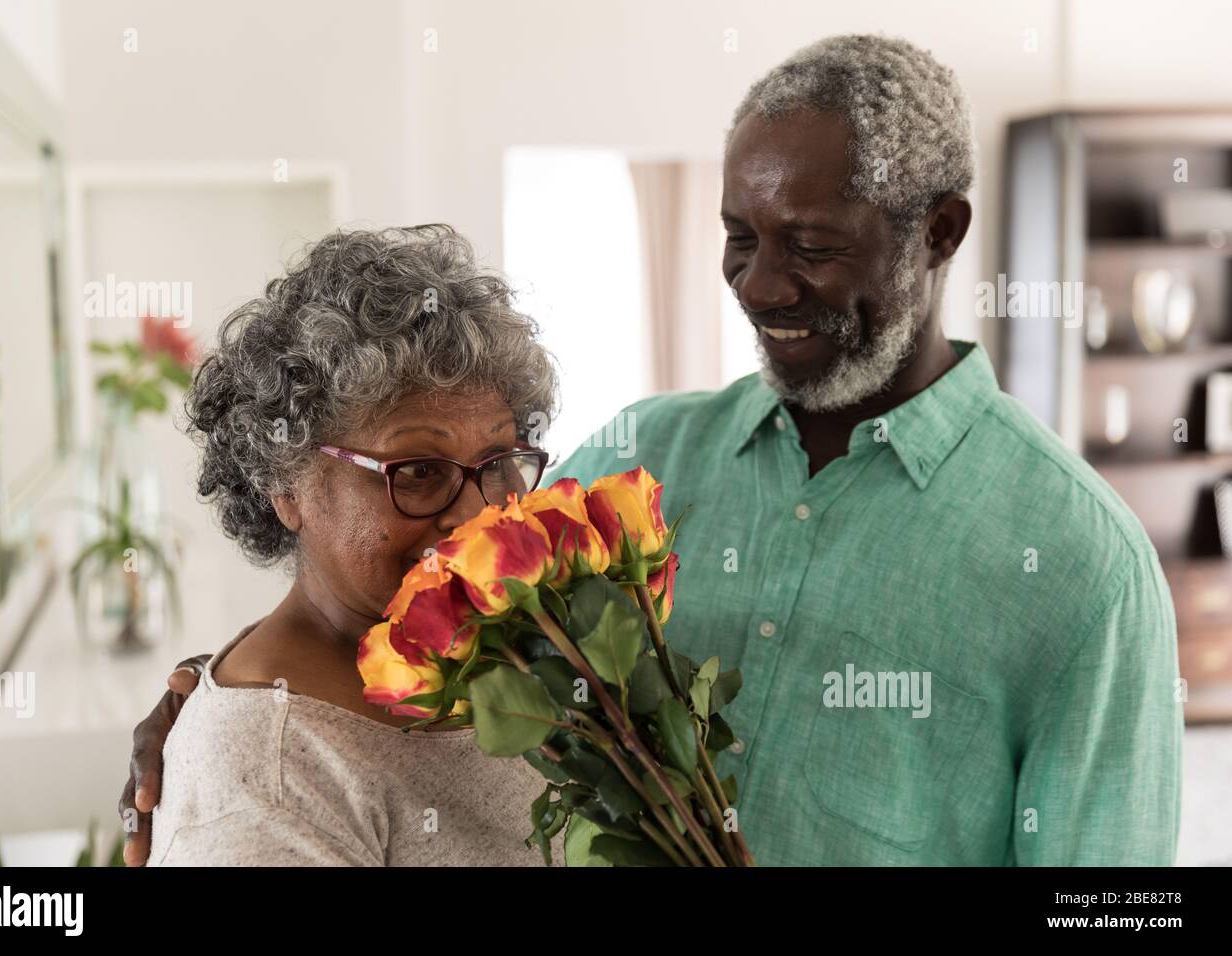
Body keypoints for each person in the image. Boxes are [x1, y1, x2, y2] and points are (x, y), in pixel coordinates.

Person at [123, 34, 1181, 866]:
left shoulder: (1082, 566)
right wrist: (220, 701)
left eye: (808, 244)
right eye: (738, 235)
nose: (761, 285)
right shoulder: (642, 456)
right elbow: (417, 571)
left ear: (938, 233)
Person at [128, 224, 564, 865]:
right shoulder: (268, 776)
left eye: (498, 462)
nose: (475, 517)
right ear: (286, 483)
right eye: (418, 470)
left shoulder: (504, 644)